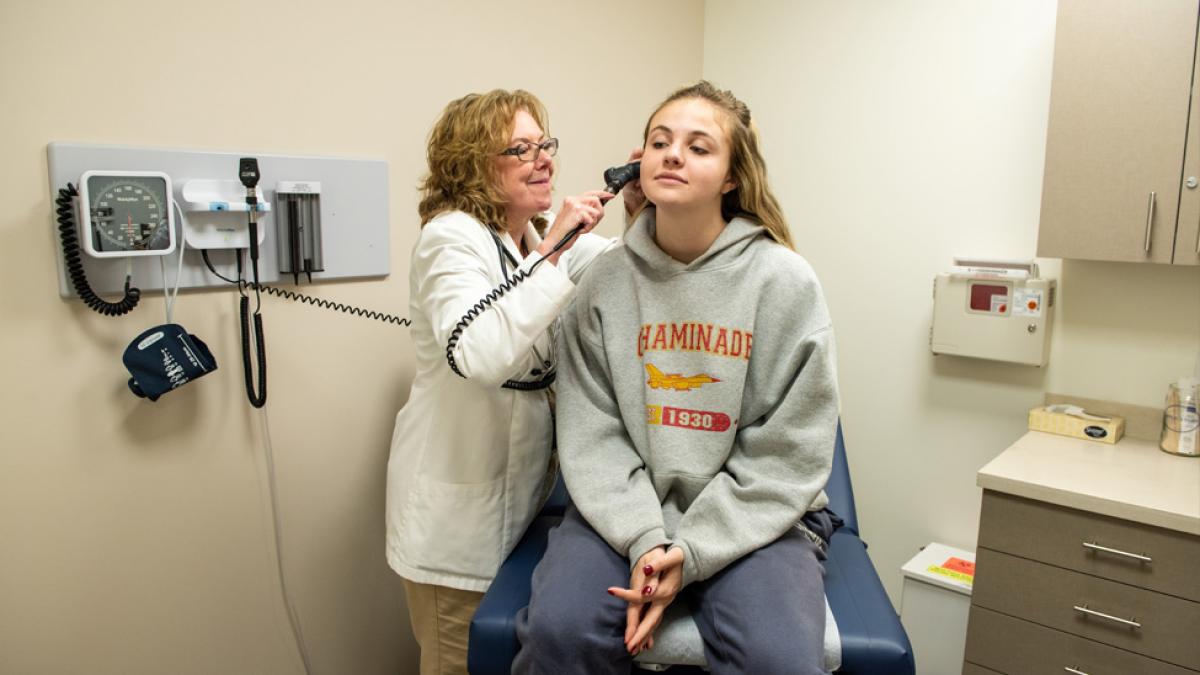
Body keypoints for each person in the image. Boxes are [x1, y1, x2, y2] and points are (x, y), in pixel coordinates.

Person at [513, 81, 840, 675]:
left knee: (779, 659)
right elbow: (592, 435)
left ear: (733, 176)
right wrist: (645, 538)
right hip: (627, 506)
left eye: (698, 147)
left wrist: (690, 553)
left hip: (754, 517)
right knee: (559, 635)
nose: (672, 155)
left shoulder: (785, 283)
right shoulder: (605, 284)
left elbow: (787, 452)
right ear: (639, 163)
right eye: (660, 142)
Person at [385, 88, 620, 675]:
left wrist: (645, 203)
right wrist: (559, 249)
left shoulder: (529, 240)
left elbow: (628, 263)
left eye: (545, 144)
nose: (544, 160)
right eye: (521, 149)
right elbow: (481, 353)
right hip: (456, 534)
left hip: (519, 520)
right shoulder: (452, 237)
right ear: (472, 165)